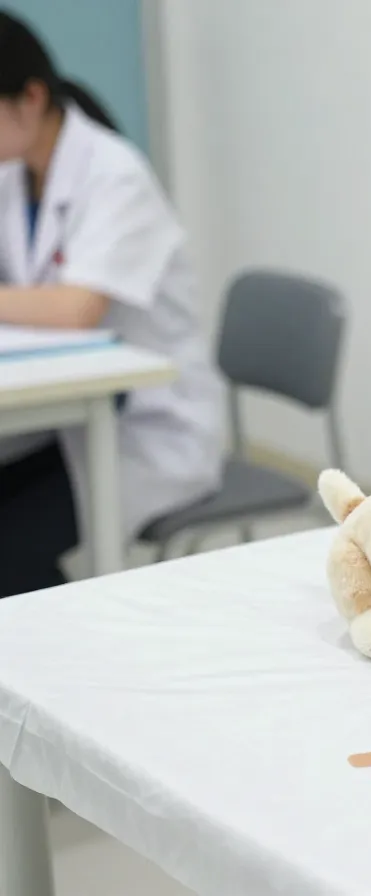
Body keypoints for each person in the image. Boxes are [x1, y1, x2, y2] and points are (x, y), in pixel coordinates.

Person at [0, 10, 225, 596]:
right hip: (68, 421)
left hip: (148, 429)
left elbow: (77, 309)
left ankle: (54, 644)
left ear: (30, 98)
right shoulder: (14, 175)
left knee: (10, 552)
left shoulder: (114, 174)